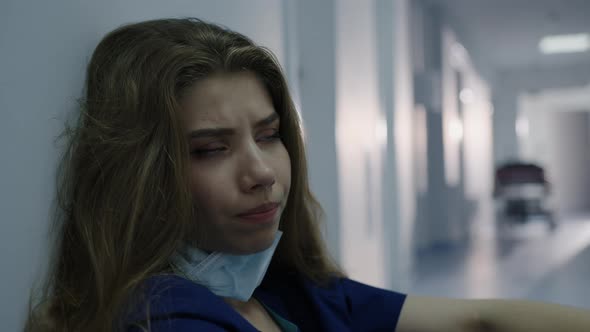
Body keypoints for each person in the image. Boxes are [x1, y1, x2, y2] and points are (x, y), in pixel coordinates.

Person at [25, 18, 590, 332]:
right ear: (143, 174)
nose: (261, 173)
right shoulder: (163, 319)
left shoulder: (288, 293)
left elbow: (478, 319)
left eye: (269, 136)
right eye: (210, 149)